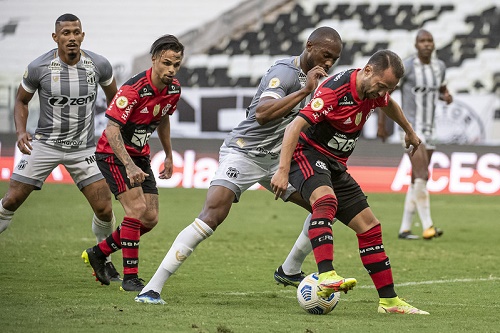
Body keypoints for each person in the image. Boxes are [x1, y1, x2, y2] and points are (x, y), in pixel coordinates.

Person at [134, 27, 344, 304]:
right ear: (309, 46)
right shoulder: (285, 73)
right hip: (244, 153)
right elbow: (262, 114)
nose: (328, 62)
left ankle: (289, 269)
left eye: (335, 58)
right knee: (211, 216)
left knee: (326, 206)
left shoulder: (320, 79)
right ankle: (152, 288)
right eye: (325, 55)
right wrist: (305, 90)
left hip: (279, 159)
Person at [271, 50, 430, 314]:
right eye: (380, 86)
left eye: (388, 89)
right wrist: (282, 170)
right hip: (307, 153)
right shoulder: (335, 91)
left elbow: (388, 103)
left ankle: (389, 302)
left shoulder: (375, 91)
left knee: (370, 227)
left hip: (335, 164)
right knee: (325, 200)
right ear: (368, 71)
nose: (381, 93)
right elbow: (294, 127)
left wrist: (409, 131)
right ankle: (325, 275)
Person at [0, 13, 121, 280]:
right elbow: (21, 101)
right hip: (44, 145)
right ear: (55, 38)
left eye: (76, 32)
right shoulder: (39, 68)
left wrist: (114, 134)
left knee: (104, 208)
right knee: (11, 201)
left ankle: (104, 259)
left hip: (84, 148)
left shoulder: (99, 65)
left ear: (83, 36)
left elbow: (117, 101)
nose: (72, 38)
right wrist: (21, 132)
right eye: (65, 33)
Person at [81, 34, 184, 292]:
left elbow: (163, 118)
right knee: (136, 210)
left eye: (176, 64)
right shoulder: (132, 90)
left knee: (150, 218)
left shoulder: (174, 90)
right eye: (167, 63)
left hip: (139, 155)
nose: (171, 69)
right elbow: (112, 129)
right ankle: (130, 278)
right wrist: (129, 165)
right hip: (113, 154)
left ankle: (99, 252)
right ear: (154, 60)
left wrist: (169, 154)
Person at [378, 29, 452, 240]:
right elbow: (386, 93)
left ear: (434, 44)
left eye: (430, 40)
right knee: (422, 175)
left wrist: (446, 96)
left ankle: (405, 228)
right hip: (411, 129)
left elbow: (442, 88)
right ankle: (428, 226)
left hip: (431, 129)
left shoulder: (440, 67)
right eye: (423, 41)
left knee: (416, 179)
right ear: (416, 45)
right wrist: (383, 124)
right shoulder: (408, 67)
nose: (427, 44)